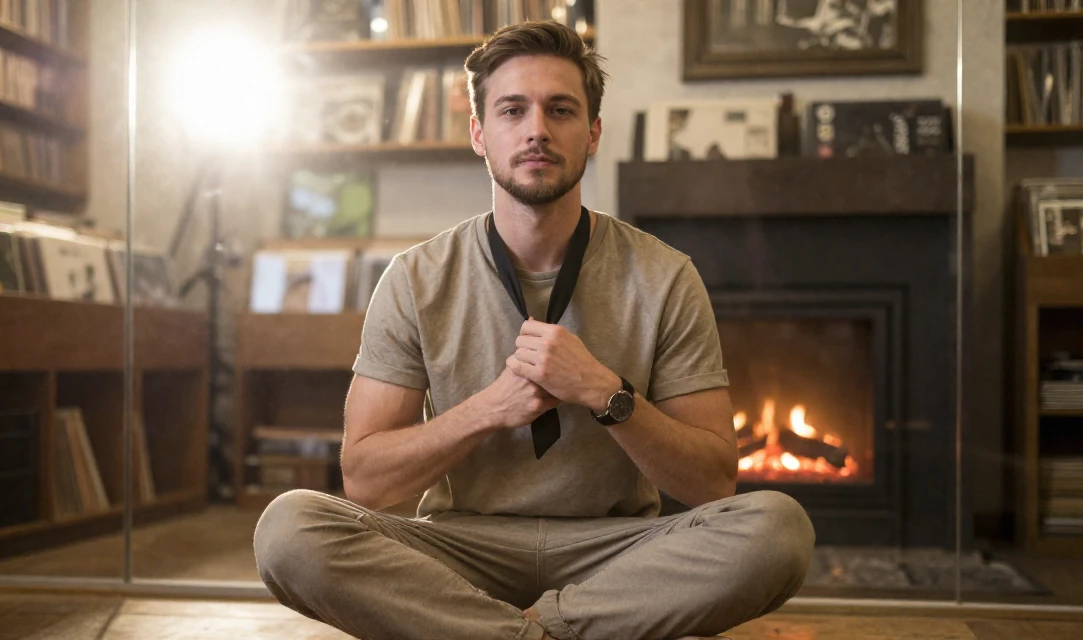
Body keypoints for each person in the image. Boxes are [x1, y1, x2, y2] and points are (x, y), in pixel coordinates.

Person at [254, 20, 814, 640]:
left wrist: (608, 395)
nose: (537, 130)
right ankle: (550, 633)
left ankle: (511, 632)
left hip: (616, 553)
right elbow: (364, 479)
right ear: (479, 133)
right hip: (461, 550)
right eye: (512, 110)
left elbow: (713, 481)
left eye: (562, 110)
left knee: (778, 528)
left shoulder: (665, 275)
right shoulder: (415, 278)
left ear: (593, 132)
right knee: (289, 529)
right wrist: (488, 409)